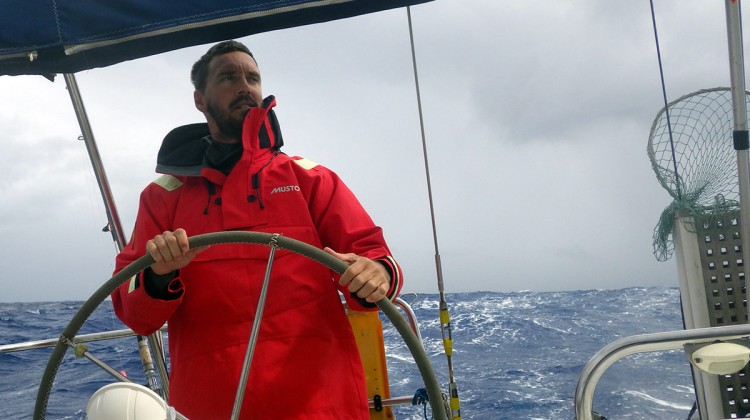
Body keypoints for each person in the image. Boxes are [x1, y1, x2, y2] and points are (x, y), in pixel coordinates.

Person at [111, 40, 403, 419]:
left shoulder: (309, 178)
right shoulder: (163, 196)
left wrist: (373, 273)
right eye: (228, 77)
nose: (244, 86)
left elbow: (376, 260)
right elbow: (134, 312)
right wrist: (159, 273)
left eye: (252, 77)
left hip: (320, 399)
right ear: (200, 100)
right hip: (213, 402)